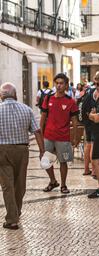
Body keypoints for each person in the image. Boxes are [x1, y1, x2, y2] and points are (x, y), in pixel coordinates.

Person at [0, 83, 45, 230]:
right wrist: (42, 150)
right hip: (22, 150)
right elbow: (37, 131)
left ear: (1, 96)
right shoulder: (26, 109)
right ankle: (15, 213)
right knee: (20, 183)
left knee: (7, 185)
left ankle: (12, 218)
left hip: (3, 150)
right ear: (15, 95)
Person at [40, 73, 79, 194]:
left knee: (63, 161)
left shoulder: (70, 101)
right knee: (46, 160)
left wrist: (75, 137)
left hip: (63, 137)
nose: (59, 85)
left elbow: (74, 121)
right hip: (48, 136)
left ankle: (63, 185)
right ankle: (53, 181)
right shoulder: (48, 98)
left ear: (66, 85)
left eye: (61, 83)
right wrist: (40, 134)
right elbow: (43, 117)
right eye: (57, 83)